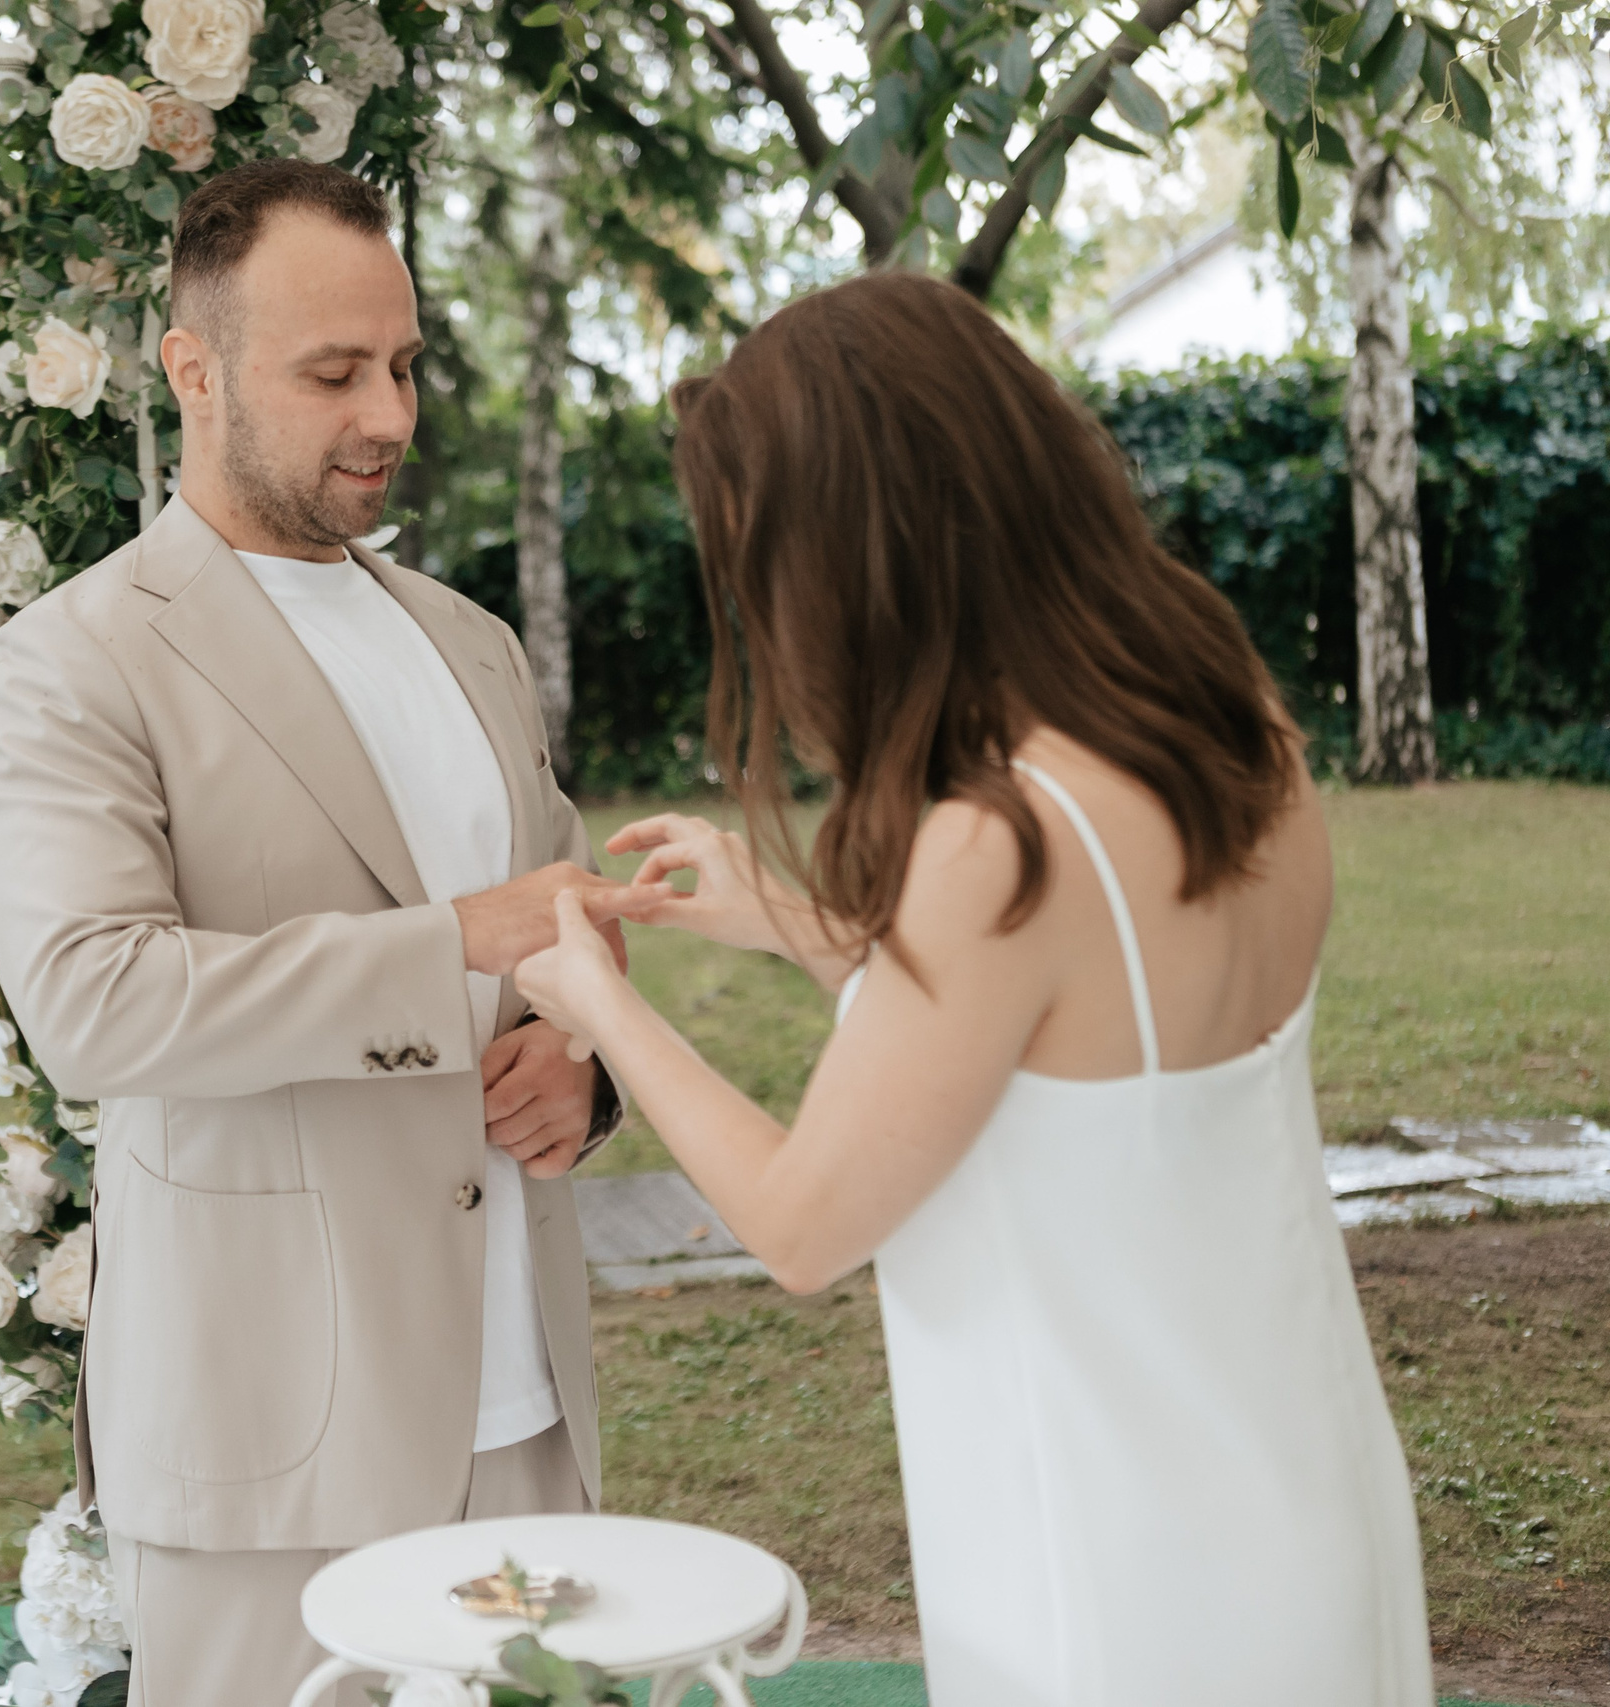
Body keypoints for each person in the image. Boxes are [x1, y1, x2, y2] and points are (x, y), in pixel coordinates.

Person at [515, 272, 1435, 1705]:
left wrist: (603, 1004)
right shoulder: (1225, 723)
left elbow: (809, 1222)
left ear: (854, 549)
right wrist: (796, 921)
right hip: (1297, 1512)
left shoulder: (996, 841)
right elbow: (1073, 1062)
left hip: (1115, 1586)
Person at [0, 161, 630, 1707]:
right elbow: (95, 1005)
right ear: (192, 370)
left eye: (401, 366)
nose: (389, 415)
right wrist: (454, 943)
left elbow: (558, 907)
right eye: (333, 373)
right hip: (272, 1440)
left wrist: (578, 1054)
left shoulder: (475, 642)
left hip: (521, 1413)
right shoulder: (73, 664)